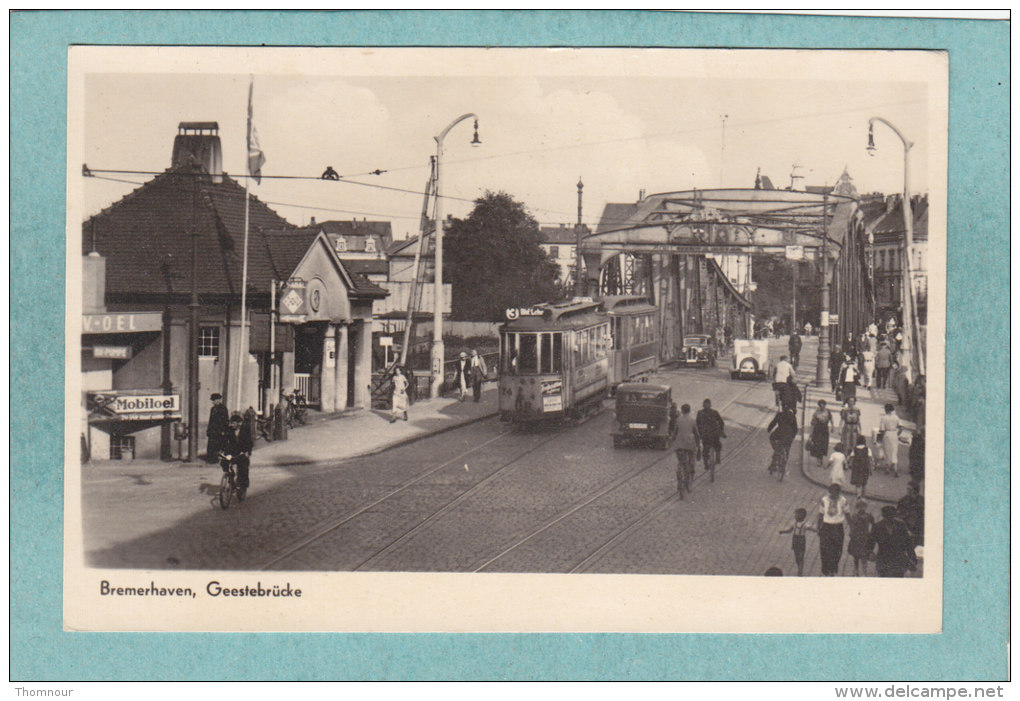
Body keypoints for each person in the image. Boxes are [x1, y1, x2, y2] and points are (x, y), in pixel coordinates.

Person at [868, 505, 917, 577]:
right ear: (883, 516)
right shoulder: (877, 527)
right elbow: (869, 544)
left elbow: (908, 543)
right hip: (883, 561)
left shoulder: (901, 525)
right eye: (887, 517)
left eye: (891, 517)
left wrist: (912, 559)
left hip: (898, 561)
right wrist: (870, 553)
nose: (889, 520)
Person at [817, 483, 849, 576]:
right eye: (832, 493)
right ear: (829, 492)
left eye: (836, 493)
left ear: (839, 493)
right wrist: (818, 526)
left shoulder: (843, 501)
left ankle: (833, 569)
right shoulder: (824, 500)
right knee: (825, 549)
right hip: (826, 527)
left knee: (837, 549)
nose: (834, 495)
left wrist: (851, 527)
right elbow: (821, 514)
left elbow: (847, 513)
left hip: (837, 527)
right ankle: (826, 570)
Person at [220, 412, 253, 497]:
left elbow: (249, 441)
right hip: (232, 451)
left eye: (234, 423)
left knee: (243, 468)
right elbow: (224, 441)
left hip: (242, 452)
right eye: (231, 423)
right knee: (224, 462)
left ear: (239, 423)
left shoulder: (245, 429)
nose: (232, 425)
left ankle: (242, 485)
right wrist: (222, 451)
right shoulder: (229, 430)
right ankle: (230, 477)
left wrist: (247, 452)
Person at [779, 507, 816, 576]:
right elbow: (789, 530)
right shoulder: (794, 523)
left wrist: (818, 531)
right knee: (796, 556)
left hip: (801, 539)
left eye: (796, 515)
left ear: (802, 516)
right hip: (795, 539)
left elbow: (812, 528)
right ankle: (799, 566)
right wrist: (783, 531)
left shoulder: (805, 524)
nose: (795, 516)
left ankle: (800, 570)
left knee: (801, 556)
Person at [673, 404, 700, 494]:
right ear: (689, 410)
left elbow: (675, 432)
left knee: (681, 462)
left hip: (679, 444)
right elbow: (696, 433)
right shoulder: (692, 420)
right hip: (690, 444)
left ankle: (680, 479)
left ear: (682, 410)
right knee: (691, 462)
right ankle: (689, 483)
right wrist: (698, 444)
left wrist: (673, 439)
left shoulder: (678, 420)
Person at [846, 499, 875, 576]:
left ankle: (864, 572)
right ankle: (856, 571)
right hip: (856, 538)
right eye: (859, 507)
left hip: (865, 538)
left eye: (863, 506)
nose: (861, 508)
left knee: (864, 556)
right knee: (856, 556)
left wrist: (871, 533)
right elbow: (852, 526)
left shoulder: (869, 516)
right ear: (857, 507)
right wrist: (851, 533)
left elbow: (873, 524)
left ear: (866, 507)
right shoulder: (854, 516)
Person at [695, 398, 725, 470]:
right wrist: (721, 431)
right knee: (717, 445)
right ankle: (718, 458)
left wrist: (699, 434)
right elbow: (721, 422)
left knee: (705, 449)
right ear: (710, 405)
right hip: (714, 433)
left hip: (705, 435)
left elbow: (697, 424)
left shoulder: (700, 413)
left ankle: (706, 464)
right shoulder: (715, 412)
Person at [766, 408, 798, 476]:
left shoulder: (780, 414)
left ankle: (776, 455)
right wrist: (793, 436)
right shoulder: (792, 416)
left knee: (772, 440)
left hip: (779, 433)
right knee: (787, 450)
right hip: (788, 435)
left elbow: (773, 423)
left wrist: (769, 429)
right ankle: (784, 467)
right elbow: (795, 428)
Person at [877, 403, 903, 477]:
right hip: (894, 433)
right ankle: (895, 468)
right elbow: (901, 427)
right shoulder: (896, 417)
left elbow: (881, 430)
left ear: (886, 410)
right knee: (894, 450)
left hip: (887, 434)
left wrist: (880, 437)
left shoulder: (884, 418)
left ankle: (887, 467)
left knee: (887, 451)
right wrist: (897, 434)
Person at [807, 399, 833, 466]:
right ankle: (819, 459)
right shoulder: (816, 413)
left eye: (823, 405)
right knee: (818, 444)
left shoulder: (828, 412)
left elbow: (831, 419)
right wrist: (811, 433)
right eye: (820, 405)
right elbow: (812, 423)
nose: (822, 407)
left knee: (823, 444)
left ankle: (821, 458)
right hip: (817, 430)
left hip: (825, 430)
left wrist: (832, 426)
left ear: (825, 405)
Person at [205, 393, 230, 463]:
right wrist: (209, 430)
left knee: (219, 445)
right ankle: (212, 459)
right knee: (211, 446)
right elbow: (211, 420)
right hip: (213, 431)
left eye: (214, 400)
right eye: (212, 400)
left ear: (218, 400)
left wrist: (223, 430)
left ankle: (218, 459)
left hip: (219, 431)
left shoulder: (223, 409)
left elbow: (225, 420)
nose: (213, 402)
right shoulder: (213, 409)